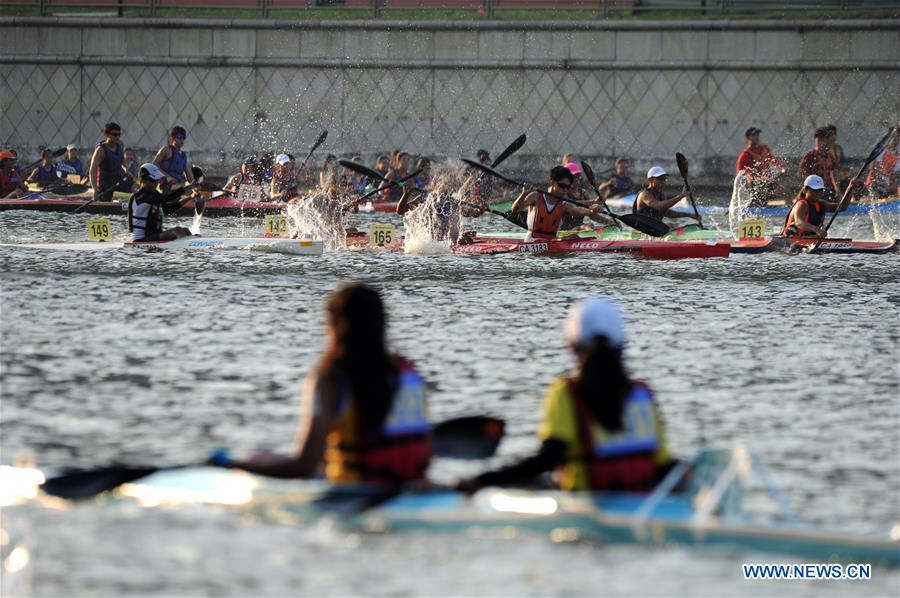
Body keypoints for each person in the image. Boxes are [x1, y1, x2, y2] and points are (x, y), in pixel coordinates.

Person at [211, 283, 432, 486]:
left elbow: (304, 465)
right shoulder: (409, 374)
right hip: (415, 487)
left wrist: (231, 465)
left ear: (335, 325)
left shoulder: (330, 379)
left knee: (256, 457)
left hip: (353, 492)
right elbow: (424, 454)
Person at [458, 297, 673, 494]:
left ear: (571, 344)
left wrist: (481, 481)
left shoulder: (567, 393)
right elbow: (664, 466)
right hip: (646, 502)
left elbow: (548, 459)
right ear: (621, 343)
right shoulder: (642, 394)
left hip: (585, 510)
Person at [511, 166, 605, 242]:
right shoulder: (535, 196)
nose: (565, 190)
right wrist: (523, 194)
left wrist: (592, 211)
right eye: (562, 186)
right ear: (552, 183)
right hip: (533, 240)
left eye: (567, 187)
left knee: (573, 236)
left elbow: (577, 210)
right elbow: (514, 210)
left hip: (551, 241)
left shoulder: (564, 204)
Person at [127, 163, 195, 242]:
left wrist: (190, 198)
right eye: (153, 180)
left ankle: (195, 249)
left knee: (185, 231)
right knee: (177, 231)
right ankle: (185, 249)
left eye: (157, 180)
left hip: (153, 235)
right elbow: (167, 198)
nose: (156, 183)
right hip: (141, 239)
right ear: (142, 180)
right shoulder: (140, 196)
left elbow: (168, 209)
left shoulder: (154, 194)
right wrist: (189, 187)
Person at [781, 174, 860, 239]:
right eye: (815, 190)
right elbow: (799, 223)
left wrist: (850, 187)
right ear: (805, 190)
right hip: (791, 238)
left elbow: (842, 207)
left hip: (808, 238)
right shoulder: (801, 204)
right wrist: (817, 230)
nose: (818, 193)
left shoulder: (821, 204)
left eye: (820, 190)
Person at [734, 128, 787, 206]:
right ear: (748, 138)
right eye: (754, 135)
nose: (757, 137)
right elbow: (739, 176)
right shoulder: (744, 155)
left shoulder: (765, 148)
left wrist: (782, 167)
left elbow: (773, 159)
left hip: (768, 182)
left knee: (786, 193)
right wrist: (747, 189)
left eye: (757, 135)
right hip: (755, 185)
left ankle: (788, 211)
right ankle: (756, 203)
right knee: (760, 202)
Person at [632, 166, 699, 223]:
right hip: (642, 231)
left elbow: (667, 212)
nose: (663, 182)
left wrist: (689, 215)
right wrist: (681, 196)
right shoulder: (644, 195)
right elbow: (660, 206)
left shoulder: (662, 195)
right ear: (650, 180)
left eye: (664, 179)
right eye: (660, 179)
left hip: (655, 230)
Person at [89, 122, 132, 201]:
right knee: (105, 203)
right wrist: (95, 189)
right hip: (105, 182)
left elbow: (122, 159)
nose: (117, 137)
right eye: (114, 134)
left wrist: (126, 170)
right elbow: (92, 170)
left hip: (118, 177)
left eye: (119, 134)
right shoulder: (100, 150)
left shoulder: (120, 144)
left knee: (134, 186)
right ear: (107, 135)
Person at [799, 127, 840, 201]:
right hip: (814, 190)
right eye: (819, 140)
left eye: (823, 140)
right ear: (815, 141)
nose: (821, 142)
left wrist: (837, 190)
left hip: (828, 189)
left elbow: (834, 174)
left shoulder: (829, 156)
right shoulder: (810, 156)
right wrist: (810, 187)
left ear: (826, 141)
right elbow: (802, 172)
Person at [865, 128, 898, 198]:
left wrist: (890, 185)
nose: (897, 141)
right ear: (889, 138)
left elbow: (893, 173)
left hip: (885, 186)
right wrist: (880, 181)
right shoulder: (881, 150)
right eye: (895, 138)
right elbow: (873, 167)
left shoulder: (895, 154)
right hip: (875, 183)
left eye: (898, 138)